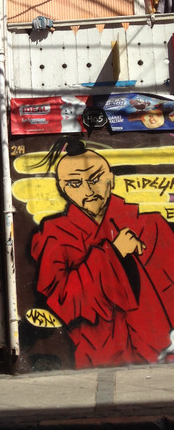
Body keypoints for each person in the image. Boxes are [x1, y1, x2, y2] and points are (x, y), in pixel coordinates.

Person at [30, 136, 174, 368]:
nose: (89, 190)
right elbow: (65, 302)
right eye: (75, 184)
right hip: (97, 354)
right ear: (63, 189)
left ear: (111, 179)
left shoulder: (151, 225)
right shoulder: (53, 236)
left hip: (159, 349)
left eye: (96, 178)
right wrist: (114, 253)